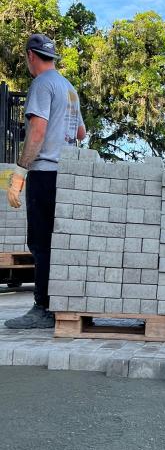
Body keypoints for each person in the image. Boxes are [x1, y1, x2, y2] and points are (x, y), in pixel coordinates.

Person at [5, 34, 86, 329]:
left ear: (30, 55)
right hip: (66, 175)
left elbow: (37, 131)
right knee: (56, 242)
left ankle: (42, 308)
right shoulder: (69, 89)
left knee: (40, 243)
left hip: (44, 174)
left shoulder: (42, 84)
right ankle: (56, 303)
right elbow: (80, 134)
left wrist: (20, 172)